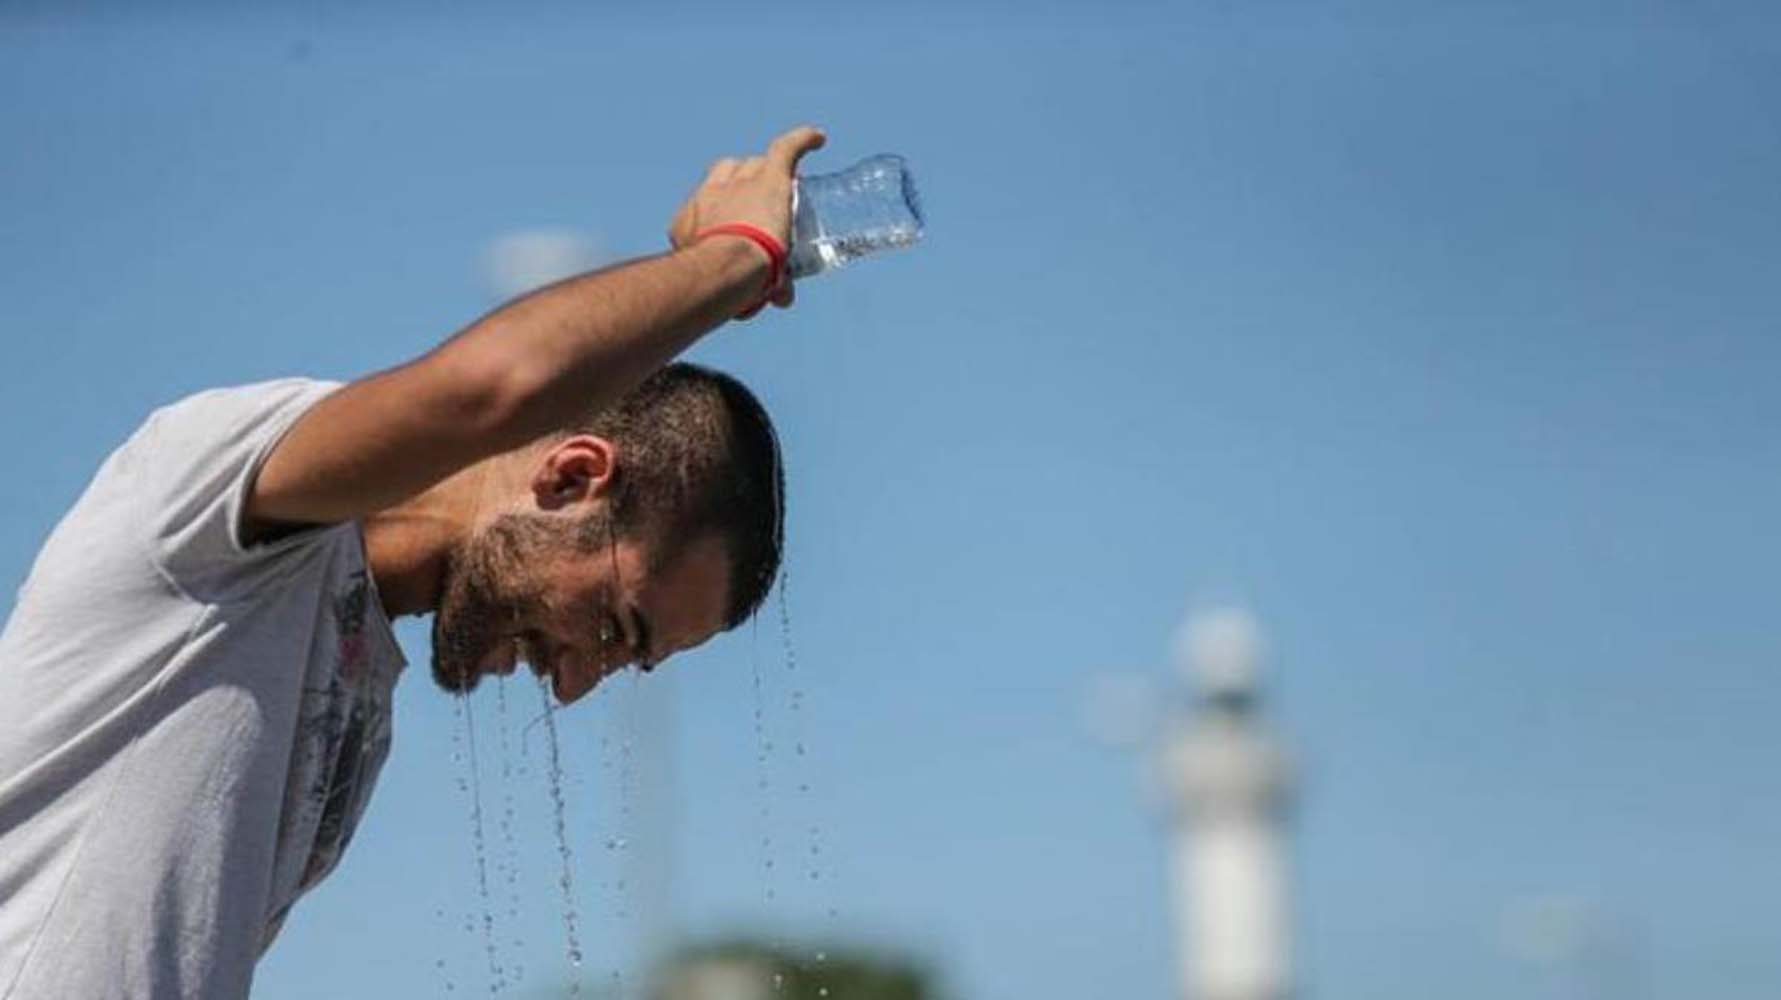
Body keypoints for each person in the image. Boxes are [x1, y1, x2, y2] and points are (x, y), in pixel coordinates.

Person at [0, 124, 828, 1000]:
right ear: (572, 477)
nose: (576, 684)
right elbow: (491, 390)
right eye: (615, 627)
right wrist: (743, 254)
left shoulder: (360, 694)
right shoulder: (213, 498)